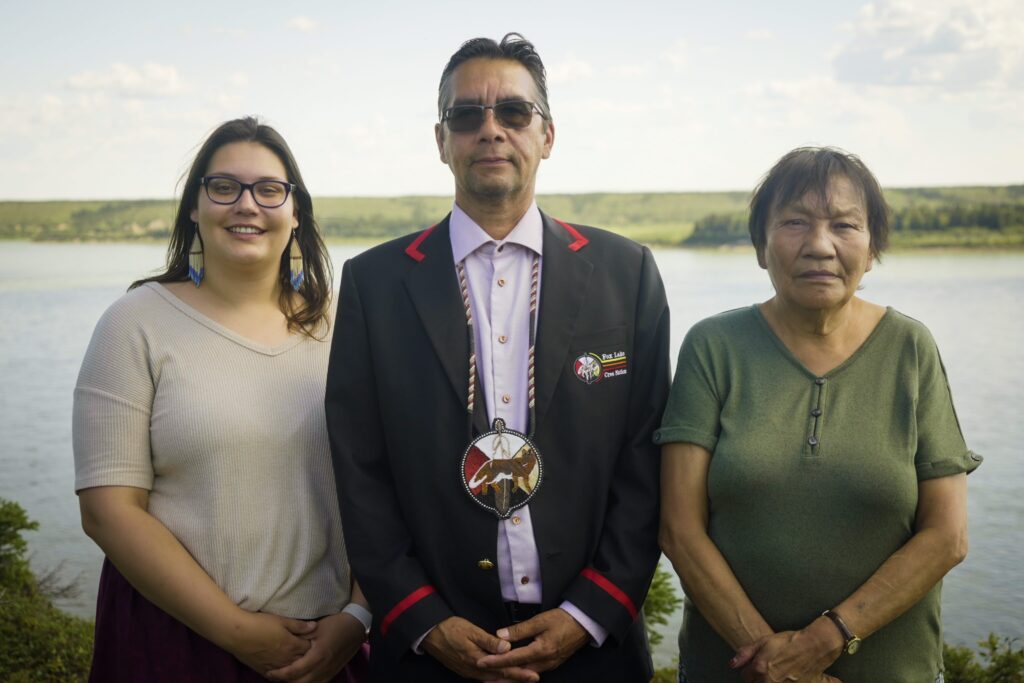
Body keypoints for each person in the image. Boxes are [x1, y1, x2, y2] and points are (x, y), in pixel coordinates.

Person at [325, 33, 670, 682]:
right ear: (441, 140)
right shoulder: (374, 284)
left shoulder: (629, 275)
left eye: (513, 113)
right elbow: (359, 470)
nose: (491, 130)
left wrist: (590, 611)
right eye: (467, 115)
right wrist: (421, 616)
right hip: (432, 655)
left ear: (547, 135)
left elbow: (647, 464)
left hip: (597, 652)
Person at [656, 147, 982, 682]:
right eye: (794, 223)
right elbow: (679, 528)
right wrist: (774, 661)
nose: (820, 245)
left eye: (845, 225)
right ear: (761, 246)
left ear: (872, 247)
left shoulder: (910, 349)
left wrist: (822, 642)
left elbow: (947, 536)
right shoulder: (714, 348)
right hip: (733, 671)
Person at [73, 117, 370, 682]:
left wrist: (358, 615)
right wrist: (236, 631)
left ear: (296, 210)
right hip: (172, 640)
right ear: (195, 206)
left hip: (327, 646)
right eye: (224, 187)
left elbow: (391, 484)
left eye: (269, 189)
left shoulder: (347, 324)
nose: (247, 205)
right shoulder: (135, 323)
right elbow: (107, 510)